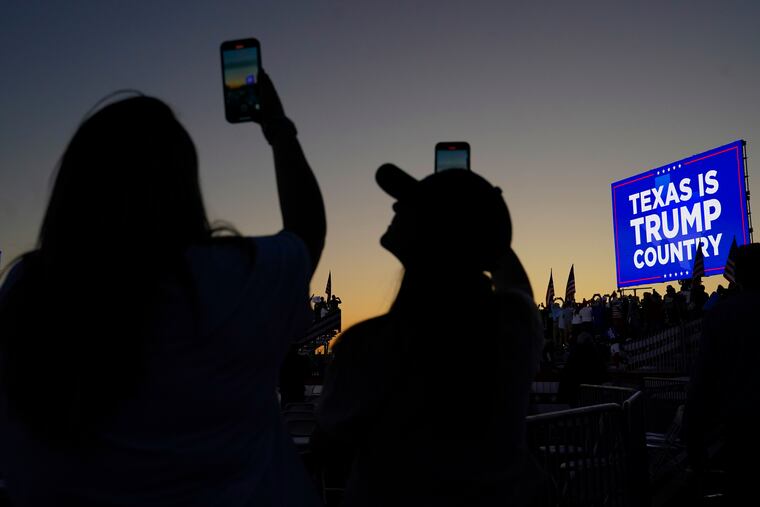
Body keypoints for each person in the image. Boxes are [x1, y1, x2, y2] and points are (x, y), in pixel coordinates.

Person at [0, 71, 325, 506]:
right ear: (183, 187)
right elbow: (306, 231)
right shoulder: (232, 279)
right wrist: (277, 128)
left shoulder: (28, 291)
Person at [315, 164, 545, 506]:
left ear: (436, 230)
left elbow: (328, 447)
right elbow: (510, 274)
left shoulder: (368, 345)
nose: (395, 207)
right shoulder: (512, 322)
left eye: (410, 204)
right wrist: (477, 220)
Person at [685, 243, 760, 505]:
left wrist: (692, 437)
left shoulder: (721, 315)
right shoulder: (721, 314)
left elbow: (702, 379)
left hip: (740, 428)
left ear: (737, 274)